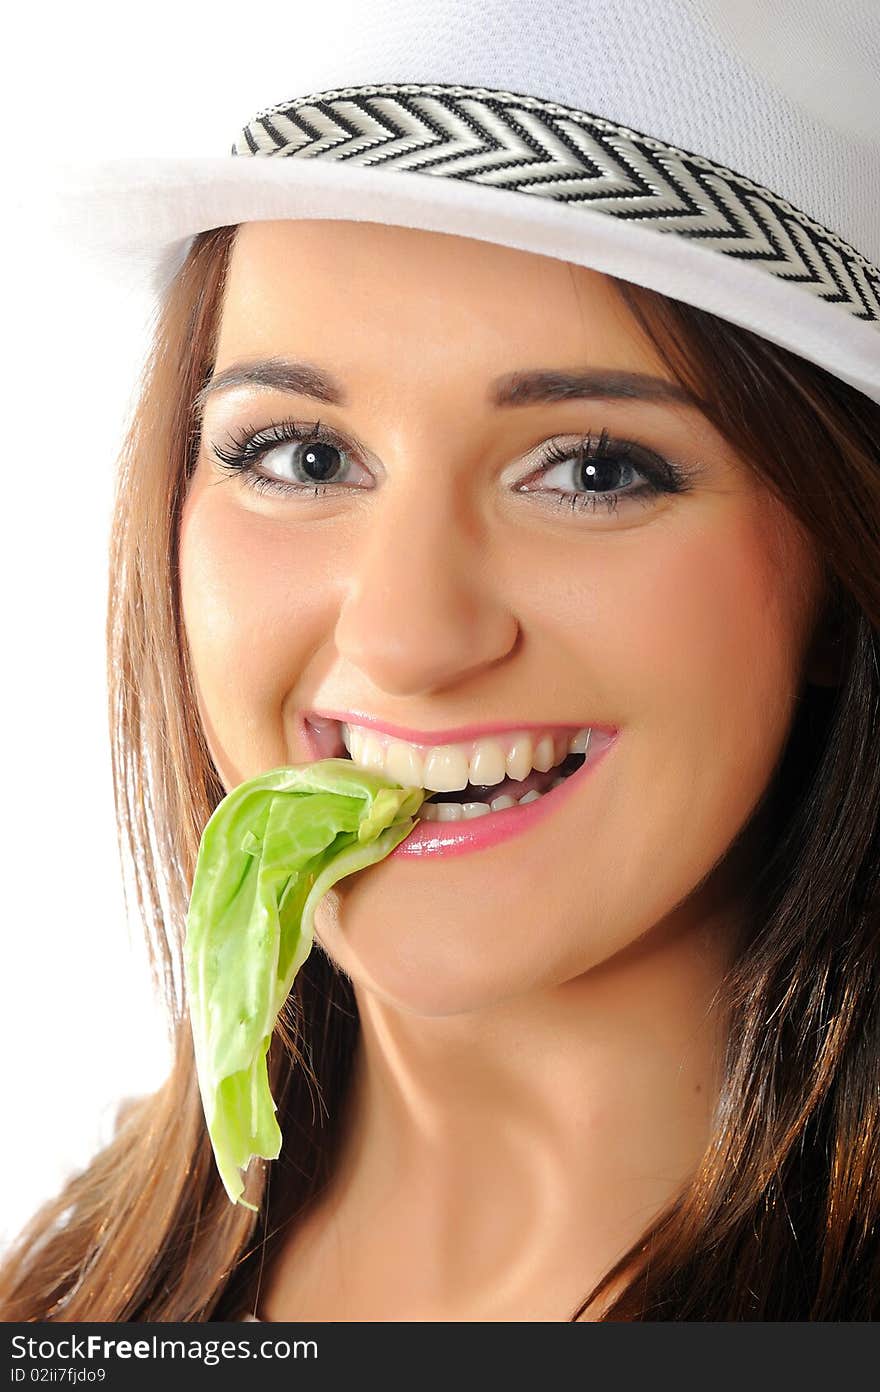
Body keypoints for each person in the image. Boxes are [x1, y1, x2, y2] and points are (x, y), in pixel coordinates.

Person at [2, 0, 879, 1321]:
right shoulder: (63, 1304)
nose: (405, 640)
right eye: (300, 455)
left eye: (592, 469)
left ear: (834, 553)